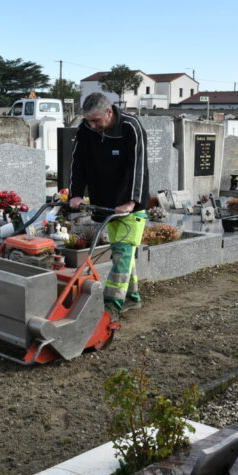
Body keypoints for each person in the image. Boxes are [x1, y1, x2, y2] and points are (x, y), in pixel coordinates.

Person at [68, 93, 149, 320]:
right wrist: (75, 194)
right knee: (122, 252)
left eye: (96, 121)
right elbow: (78, 162)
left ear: (109, 112)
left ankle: (111, 305)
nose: (92, 126)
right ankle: (132, 298)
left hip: (131, 205)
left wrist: (131, 201)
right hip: (105, 203)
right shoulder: (86, 129)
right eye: (88, 121)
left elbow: (138, 165)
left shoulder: (130, 127)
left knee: (123, 252)